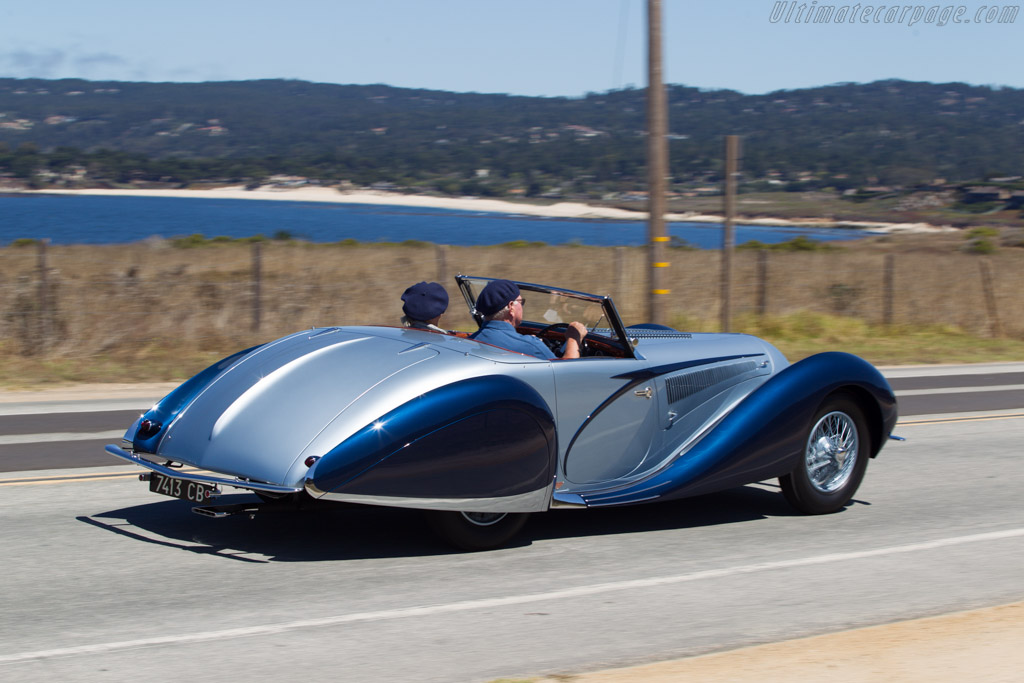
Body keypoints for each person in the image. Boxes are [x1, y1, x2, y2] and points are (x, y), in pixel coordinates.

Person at [470, 279, 586, 359]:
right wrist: (573, 339)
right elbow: (566, 373)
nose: (522, 306)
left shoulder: (470, 341)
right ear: (511, 307)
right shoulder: (530, 346)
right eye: (521, 302)